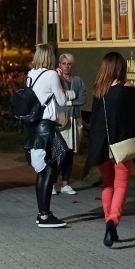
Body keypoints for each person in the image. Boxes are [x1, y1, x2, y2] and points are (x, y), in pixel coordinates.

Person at [82, 52, 135, 247]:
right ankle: (112, 222)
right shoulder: (127, 89)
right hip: (122, 145)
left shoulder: (99, 92)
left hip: (102, 146)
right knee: (121, 184)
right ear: (120, 68)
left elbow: (96, 121)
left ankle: (110, 225)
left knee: (107, 184)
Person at [24, 44, 68, 228]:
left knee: (42, 171)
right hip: (46, 127)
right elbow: (63, 102)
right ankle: (44, 216)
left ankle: (42, 212)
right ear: (50, 57)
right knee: (50, 169)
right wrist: (60, 80)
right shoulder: (51, 75)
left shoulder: (30, 74)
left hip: (33, 127)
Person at [54, 53, 86, 195]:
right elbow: (56, 98)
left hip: (75, 120)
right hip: (62, 120)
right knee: (62, 153)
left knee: (71, 152)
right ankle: (52, 182)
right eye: (64, 63)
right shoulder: (55, 80)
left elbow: (83, 97)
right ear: (59, 65)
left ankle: (65, 183)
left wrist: (68, 100)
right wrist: (71, 94)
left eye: (69, 64)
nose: (66, 66)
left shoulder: (77, 80)